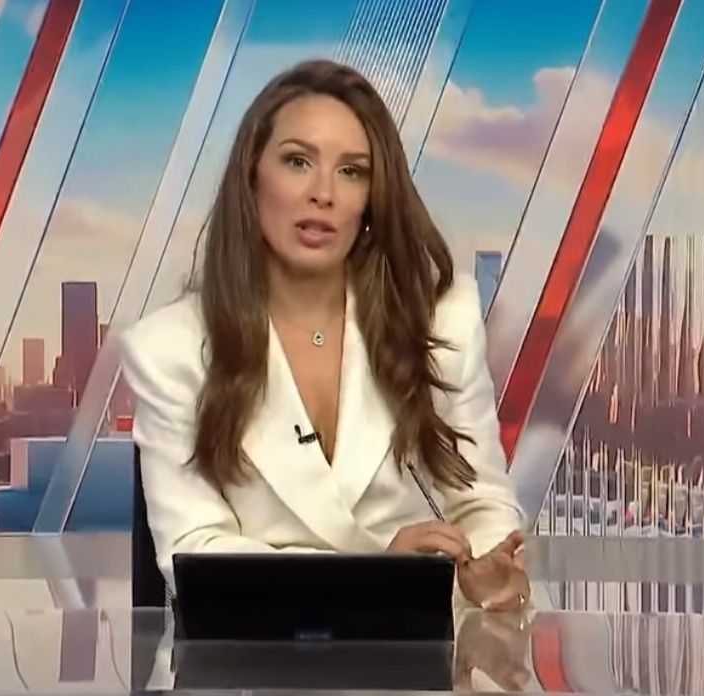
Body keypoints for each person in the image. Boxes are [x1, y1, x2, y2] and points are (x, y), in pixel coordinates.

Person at [121, 59, 528, 610]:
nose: (324, 193)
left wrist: (486, 568)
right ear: (252, 177)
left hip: (419, 649)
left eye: (352, 171)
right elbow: (195, 552)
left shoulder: (440, 320)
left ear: (372, 198)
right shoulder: (169, 350)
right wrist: (373, 579)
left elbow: (481, 502)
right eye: (298, 162)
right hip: (257, 649)